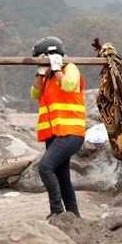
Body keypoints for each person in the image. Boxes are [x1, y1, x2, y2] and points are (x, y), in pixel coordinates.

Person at [30, 36, 86, 218]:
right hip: (54, 134)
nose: (39, 62)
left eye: (41, 58)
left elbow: (69, 85)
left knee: (45, 167)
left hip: (71, 133)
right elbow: (34, 93)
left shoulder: (70, 68)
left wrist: (56, 68)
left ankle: (57, 211)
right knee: (62, 176)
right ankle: (73, 215)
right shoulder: (46, 78)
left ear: (51, 55)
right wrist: (41, 73)